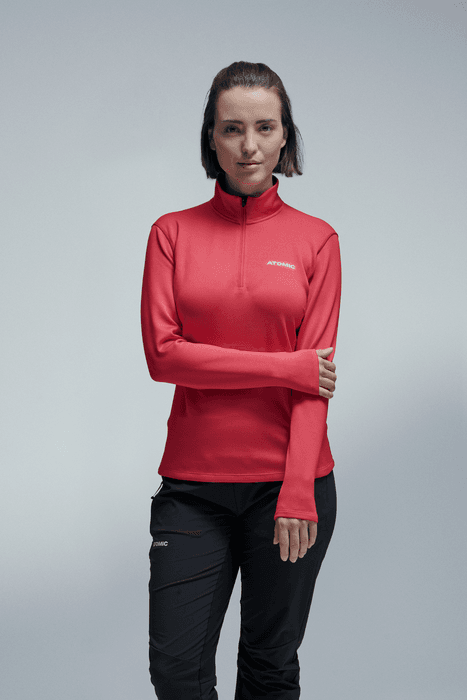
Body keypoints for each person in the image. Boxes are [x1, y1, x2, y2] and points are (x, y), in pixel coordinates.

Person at [140, 60, 341, 700]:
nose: (248, 145)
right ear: (212, 137)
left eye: (264, 127)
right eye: (232, 128)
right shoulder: (171, 234)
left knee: (268, 667)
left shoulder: (318, 241)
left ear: (285, 136)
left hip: (290, 483)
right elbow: (164, 358)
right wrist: (285, 366)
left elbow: (315, 386)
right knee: (177, 673)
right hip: (193, 488)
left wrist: (299, 490)